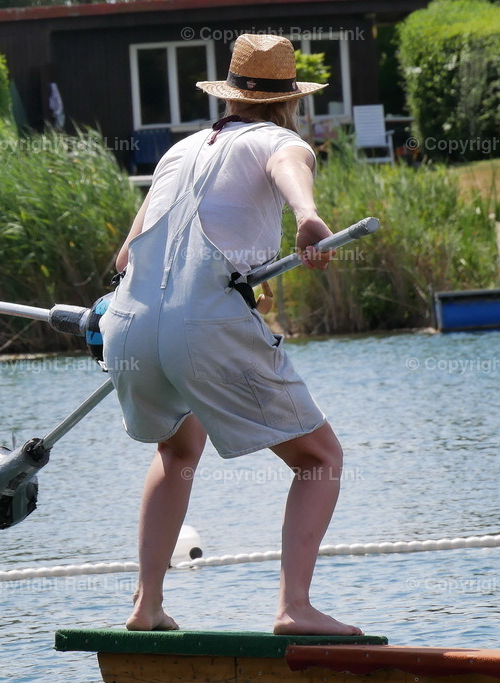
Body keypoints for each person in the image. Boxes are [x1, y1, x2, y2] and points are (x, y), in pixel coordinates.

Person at [100, 34, 362, 635]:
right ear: (291, 101)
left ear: (231, 94)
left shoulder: (180, 150)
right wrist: (307, 215)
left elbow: (123, 258)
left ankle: (147, 606)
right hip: (204, 323)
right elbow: (286, 164)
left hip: (129, 323)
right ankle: (295, 607)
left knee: (177, 448)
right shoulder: (283, 139)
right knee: (319, 458)